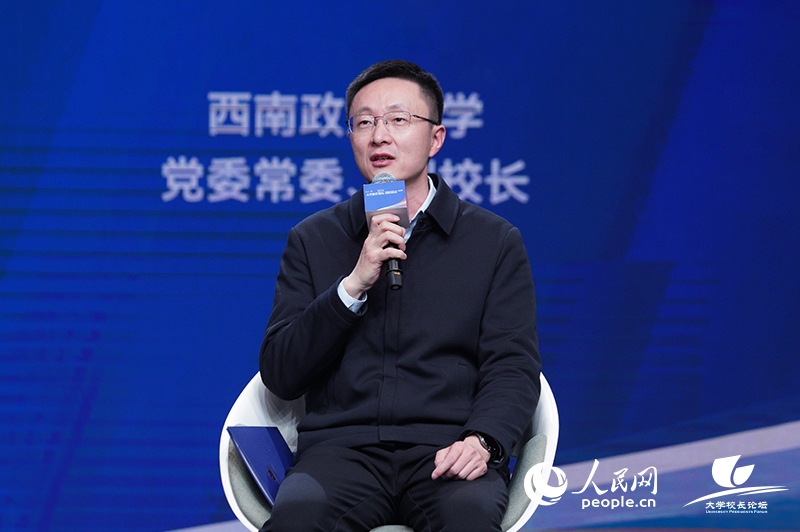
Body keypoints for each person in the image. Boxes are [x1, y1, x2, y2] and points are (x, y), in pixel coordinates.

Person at [259, 59, 541, 531]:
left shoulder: (493, 241)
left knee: (469, 518)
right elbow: (281, 374)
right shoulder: (313, 239)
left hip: (448, 446)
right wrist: (352, 286)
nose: (379, 136)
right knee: (296, 519)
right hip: (339, 453)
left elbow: (513, 364)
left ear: (436, 138)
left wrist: (484, 440)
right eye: (364, 122)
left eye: (397, 119)